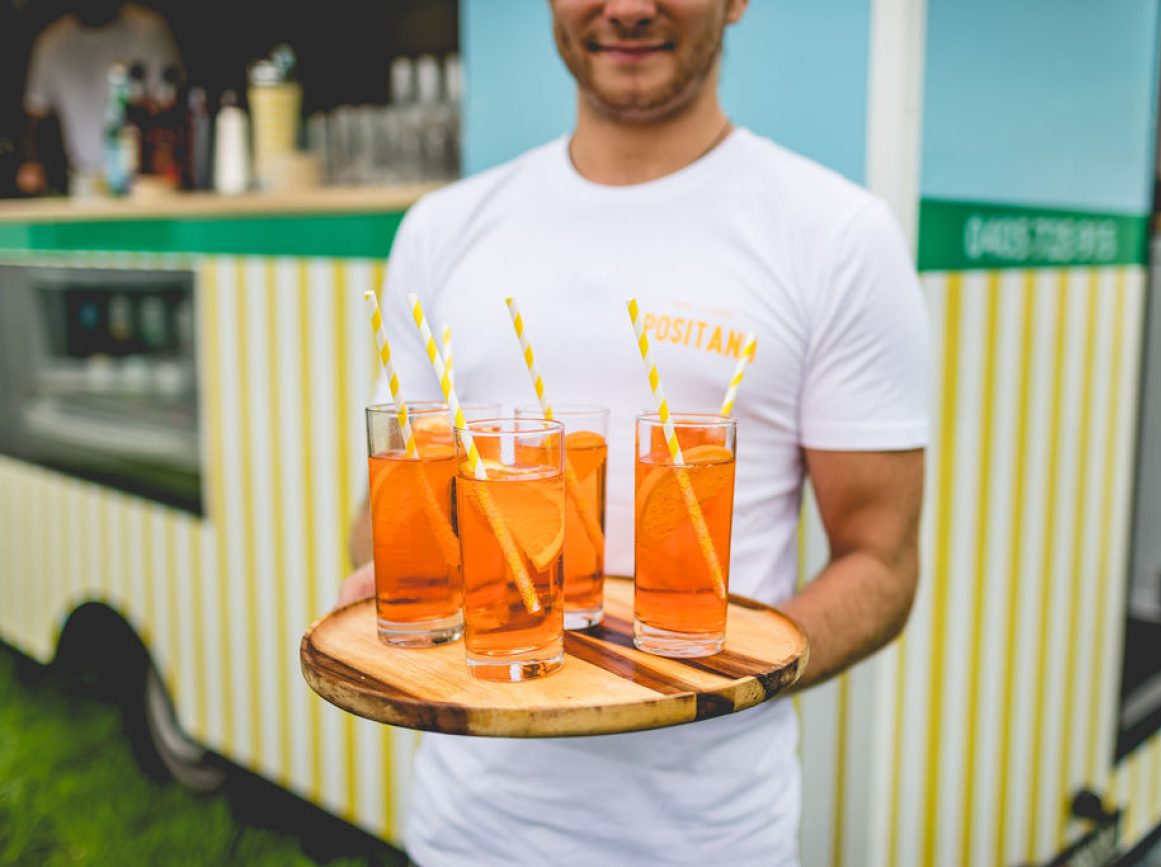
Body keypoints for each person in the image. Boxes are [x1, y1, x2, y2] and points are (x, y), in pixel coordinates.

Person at [339, 1, 929, 863]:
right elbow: (389, 507)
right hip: (465, 829)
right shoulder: (441, 230)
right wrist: (392, 579)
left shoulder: (837, 237)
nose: (625, 7)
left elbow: (881, 561)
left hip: (708, 837)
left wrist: (724, 669)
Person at [18, 0, 181, 195]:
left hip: (146, 183)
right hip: (83, 180)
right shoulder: (52, 42)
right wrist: (34, 163)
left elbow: (172, 107)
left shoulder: (148, 29)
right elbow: (37, 116)